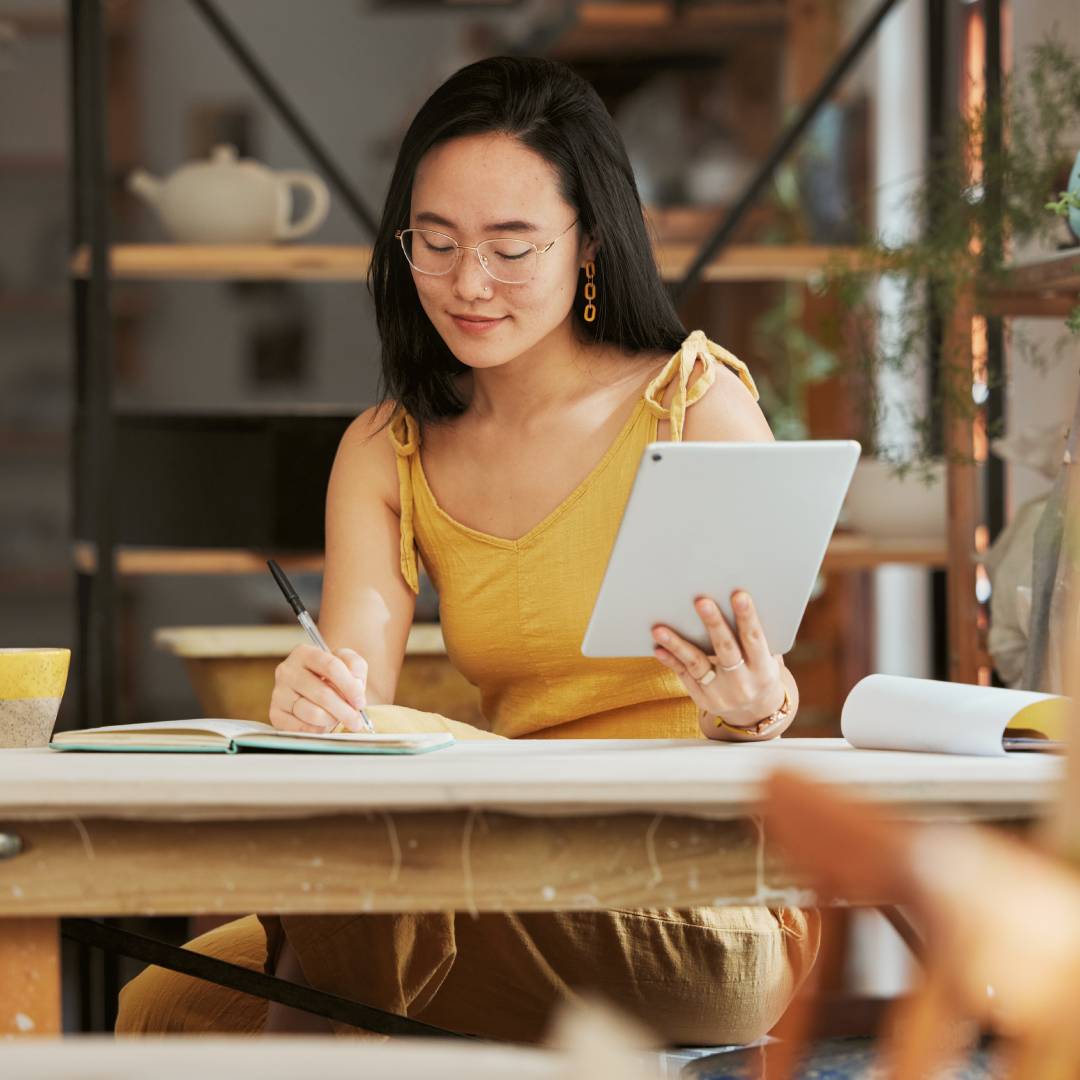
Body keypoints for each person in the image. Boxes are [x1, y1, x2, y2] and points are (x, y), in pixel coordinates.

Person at [116, 55, 818, 1045]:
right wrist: (320, 704)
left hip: (700, 906)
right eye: (435, 244)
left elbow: (765, 687)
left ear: (589, 245)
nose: (467, 284)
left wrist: (753, 713)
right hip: (499, 876)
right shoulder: (385, 450)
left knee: (347, 937)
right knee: (164, 1008)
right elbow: (359, 692)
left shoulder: (693, 407)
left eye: (510, 247)